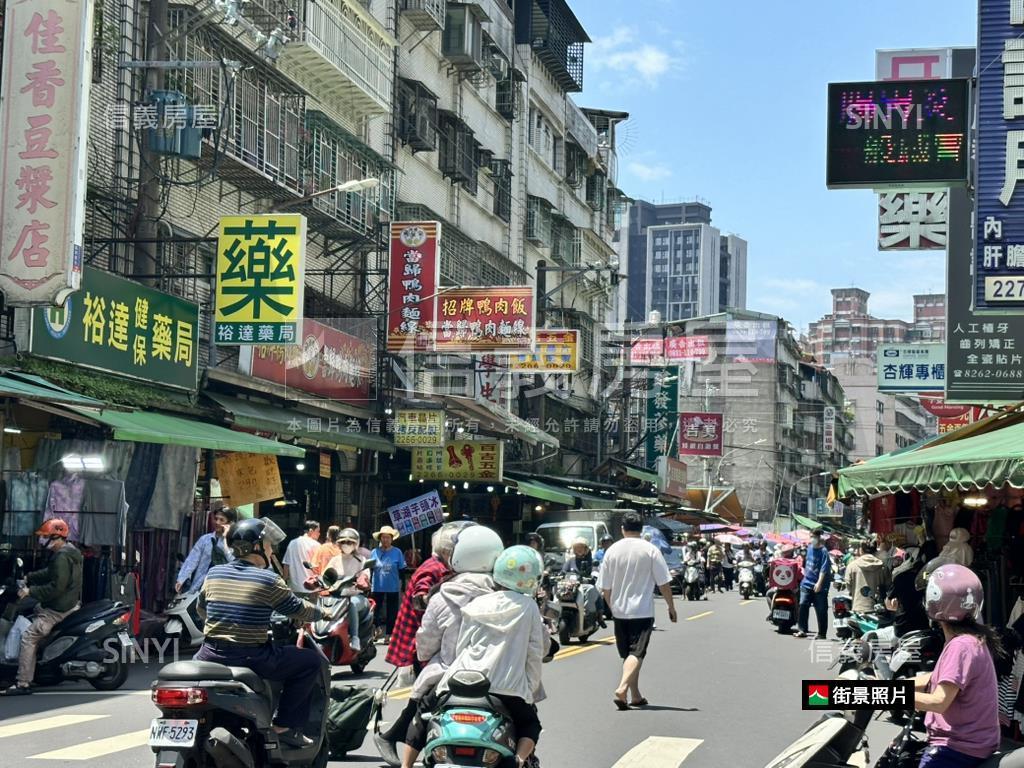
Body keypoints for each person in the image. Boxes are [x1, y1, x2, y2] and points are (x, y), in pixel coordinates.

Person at [192, 518, 324, 747]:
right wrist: (324, 613)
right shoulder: (268, 579)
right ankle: (284, 725)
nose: (271, 550)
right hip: (251, 657)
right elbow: (299, 609)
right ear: (256, 547)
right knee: (310, 661)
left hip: (208, 654)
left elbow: (201, 609)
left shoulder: (215, 573)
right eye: (269, 546)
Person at [399, 526, 505, 768]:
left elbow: (424, 646)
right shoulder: (509, 596)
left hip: (447, 678)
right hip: (497, 681)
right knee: (527, 719)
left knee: (420, 715)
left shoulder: (441, 596)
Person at [436, 545, 547, 768]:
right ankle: (517, 760)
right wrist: (530, 689)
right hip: (508, 691)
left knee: (429, 714)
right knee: (530, 725)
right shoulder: (529, 607)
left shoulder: (477, 603)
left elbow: (462, 646)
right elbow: (535, 653)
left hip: (462, 685)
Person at [376, 521, 476, 764]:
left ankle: (395, 737)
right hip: (422, 640)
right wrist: (434, 598)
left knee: (425, 698)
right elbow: (421, 597)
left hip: (439, 639)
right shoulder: (431, 568)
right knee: (426, 698)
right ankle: (396, 738)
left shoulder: (449, 567)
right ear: (448, 549)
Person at [913, 564, 1001, 767]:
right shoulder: (970, 640)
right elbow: (936, 678)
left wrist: (887, 695)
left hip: (958, 748)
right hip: (971, 744)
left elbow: (939, 701)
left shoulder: (961, 645)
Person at [597, 511, 677, 710]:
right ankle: (622, 689)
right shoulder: (650, 549)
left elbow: (605, 587)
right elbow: (664, 583)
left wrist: (612, 605)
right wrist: (671, 606)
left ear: (622, 529)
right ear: (641, 529)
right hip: (641, 610)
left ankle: (635, 695)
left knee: (629, 655)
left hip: (619, 611)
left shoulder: (612, 550)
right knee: (637, 653)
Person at [2, 519, 83, 696]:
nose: (43, 541)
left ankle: (23, 682)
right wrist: (30, 577)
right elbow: (50, 573)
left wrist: (30, 591)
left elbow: (56, 587)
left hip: (57, 609)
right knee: (34, 610)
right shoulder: (71, 552)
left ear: (55, 537)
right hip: (68, 604)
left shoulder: (62, 557)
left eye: (45, 537)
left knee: (29, 637)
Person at [324, 528, 371, 652]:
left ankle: (355, 638)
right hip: (337, 596)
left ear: (356, 544)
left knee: (352, 604)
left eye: (350, 542)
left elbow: (365, 574)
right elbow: (325, 575)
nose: (346, 545)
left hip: (356, 596)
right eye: (343, 542)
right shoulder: (334, 560)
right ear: (339, 544)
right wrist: (316, 581)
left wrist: (363, 580)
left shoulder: (361, 560)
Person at [174, 507, 237, 594]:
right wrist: (181, 578)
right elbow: (192, 559)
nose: (217, 522)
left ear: (229, 523)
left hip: (222, 588)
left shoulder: (234, 542)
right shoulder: (205, 539)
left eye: (221, 520)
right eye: (216, 519)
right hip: (201, 585)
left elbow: (233, 561)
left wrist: (226, 538)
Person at [370, 525, 406, 643]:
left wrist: (403, 586)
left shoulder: (397, 552)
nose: (385, 540)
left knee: (392, 611)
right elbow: (369, 569)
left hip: (393, 586)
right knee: (376, 610)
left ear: (391, 539)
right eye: (383, 537)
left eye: (387, 537)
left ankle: (389, 634)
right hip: (377, 586)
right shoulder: (374, 552)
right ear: (380, 538)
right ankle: (376, 629)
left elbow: (402, 570)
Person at [794, 529, 831, 639]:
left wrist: (819, 583)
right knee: (803, 605)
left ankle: (822, 633)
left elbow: (824, 569)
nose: (812, 539)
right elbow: (804, 564)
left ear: (819, 537)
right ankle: (802, 630)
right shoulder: (809, 548)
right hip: (806, 583)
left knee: (821, 610)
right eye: (811, 536)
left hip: (819, 586)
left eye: (814, 537)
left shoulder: (824, 551)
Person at [561, 537, 605, 629]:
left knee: (593, 589)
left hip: (585, 586)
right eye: (577, 547)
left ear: (586, 549)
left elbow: (595, 571)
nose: (579, 549)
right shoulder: (570, 561)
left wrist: (592, 577)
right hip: (571, 586)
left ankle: (596, 615)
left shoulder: (591, 561)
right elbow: (563, 571)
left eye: (581, 547)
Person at [845, 539, 891, 614]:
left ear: (861, 550)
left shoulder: (852, 566)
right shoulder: (883, 567)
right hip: (879, 609)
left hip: (859, 608)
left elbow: (849, 587)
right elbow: (889, 586)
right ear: (875, 550)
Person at [282, 520, 321, 595]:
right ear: (311, 531)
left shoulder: (292, 543)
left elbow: (286, 564)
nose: (319, 534)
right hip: (312, 588)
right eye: (318, 531)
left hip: (295, 588)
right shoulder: (316, 545)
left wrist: (284, 581)